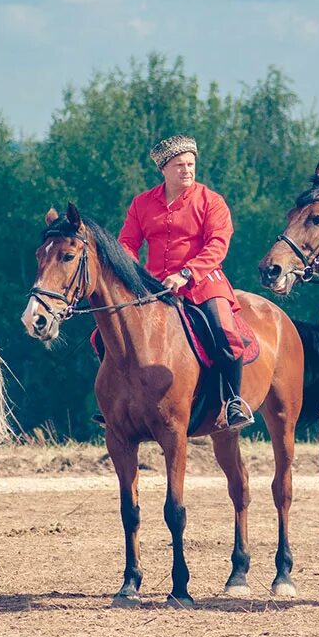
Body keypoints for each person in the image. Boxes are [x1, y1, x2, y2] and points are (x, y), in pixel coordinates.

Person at [118, 135, 253, 429]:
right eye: (180, 165)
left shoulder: (211, 201)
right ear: (164, 169)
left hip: (204, 282)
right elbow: (127, 242)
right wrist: (134, 274)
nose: (187, 170)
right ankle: (118, 399)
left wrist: (187, 273)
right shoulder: (141, 203)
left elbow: (218, 244)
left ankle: (233, 401)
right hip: (155, 286)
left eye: (191, 164)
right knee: (108, 334)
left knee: (224, 333)